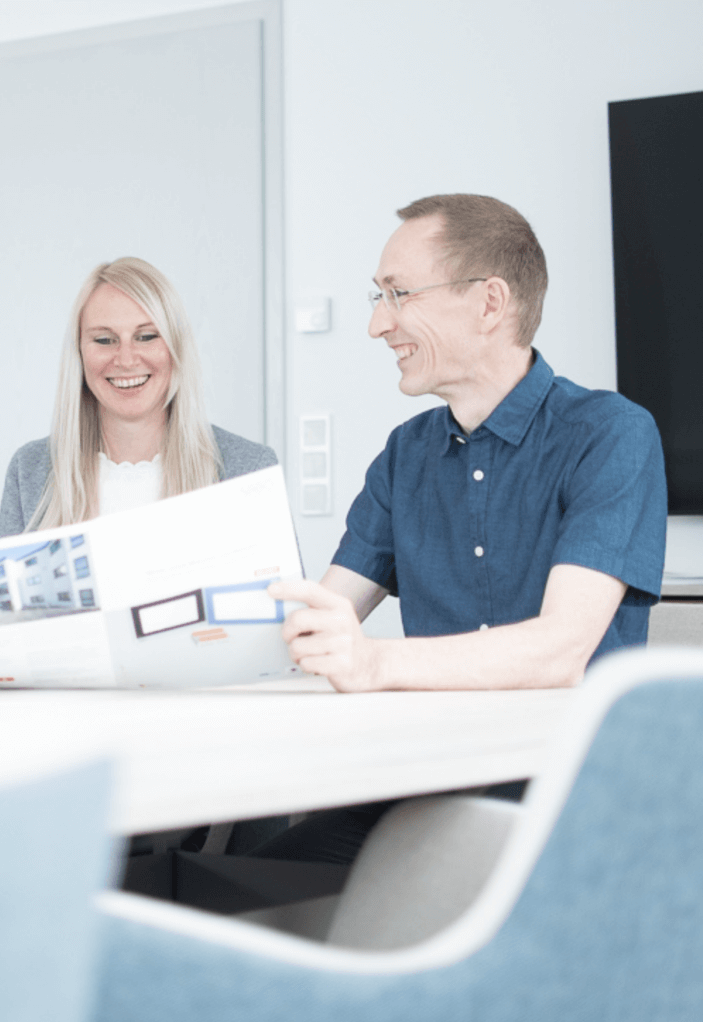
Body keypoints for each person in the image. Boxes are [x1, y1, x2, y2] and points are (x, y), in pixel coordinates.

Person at [251, 193, 667, 865]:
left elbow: (561, 652)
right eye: (378, 297)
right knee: (235, 885)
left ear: (489, 302)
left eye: (398, 294)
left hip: (561, 803)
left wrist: (374, 662)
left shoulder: (611, 434)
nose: (378, 324)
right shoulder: (404, 454)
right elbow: (321, 618)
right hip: (421, 787)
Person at [0, 256, 275, 537]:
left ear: (175, 347)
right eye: (104, 340)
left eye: (146, 337)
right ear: (79, 353)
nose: (126, 359)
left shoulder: (250, 470)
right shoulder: (29, 471)